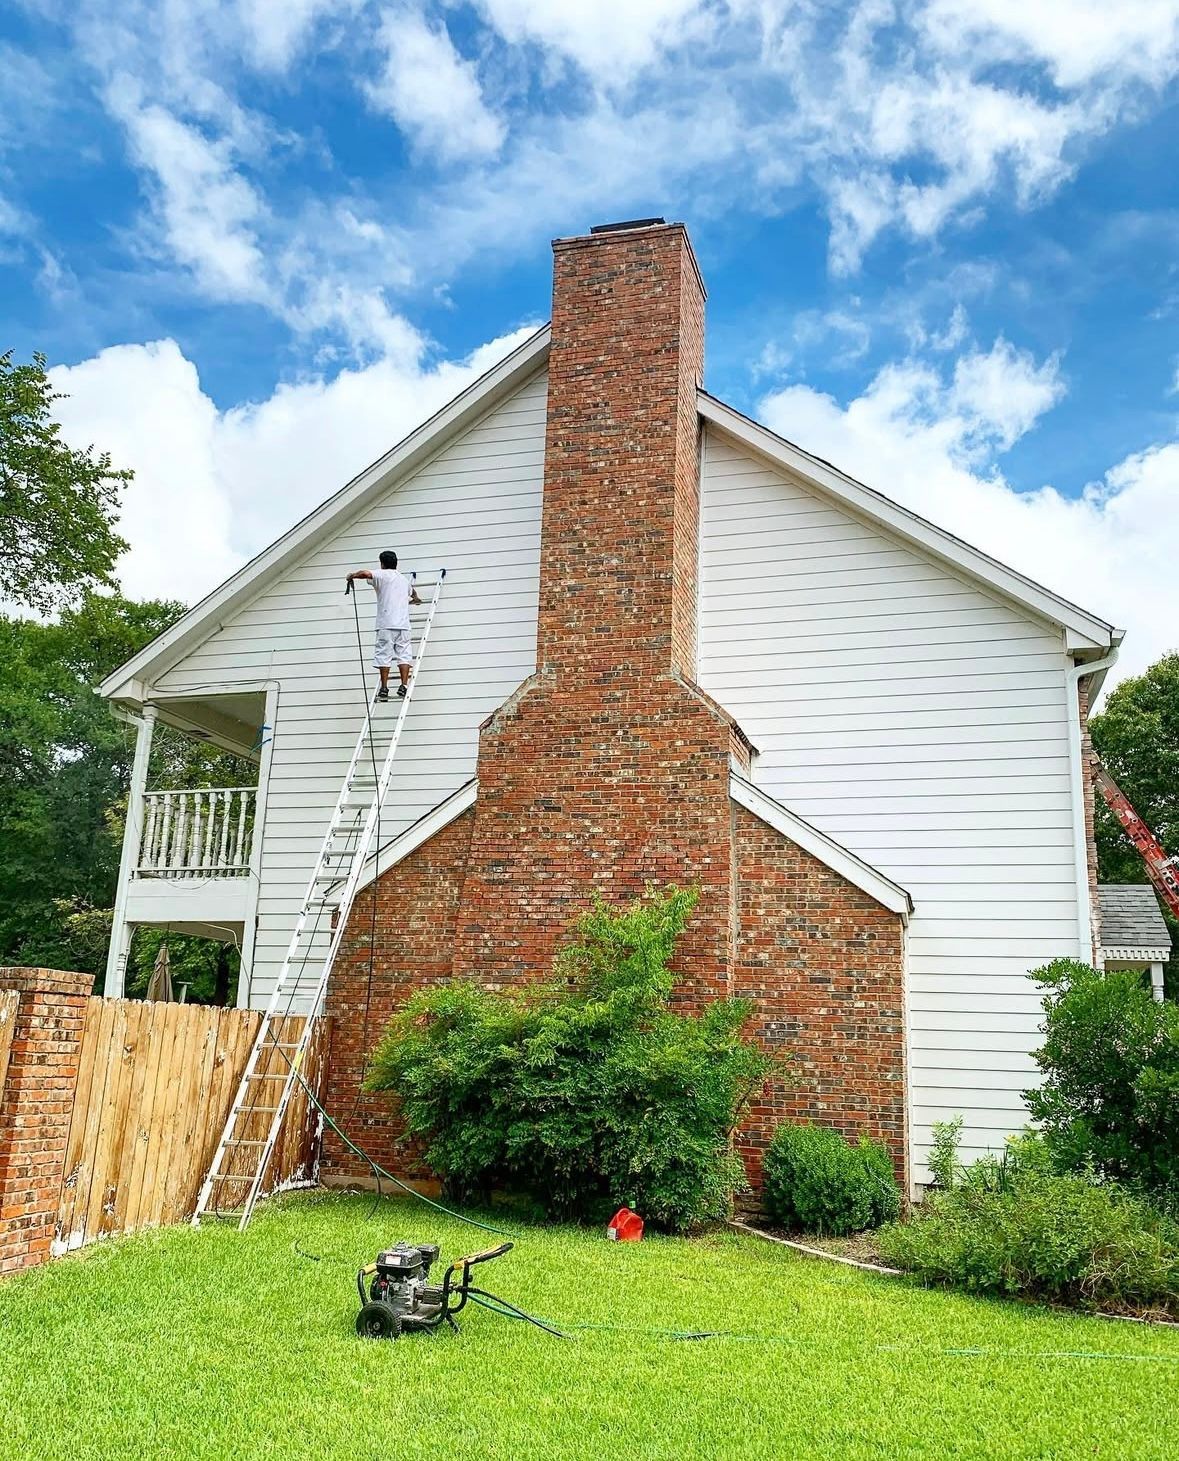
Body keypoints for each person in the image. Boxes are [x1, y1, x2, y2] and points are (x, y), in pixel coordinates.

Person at [346, 551, 421, 701]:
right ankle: (404, 685)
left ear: (382, 563)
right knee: (404, 654)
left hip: (386, 623)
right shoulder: (403, 580)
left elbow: (365, 573)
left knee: (384, 655)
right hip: (404, 625)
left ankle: (384, 688)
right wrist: (416, 599)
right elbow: (413, 592)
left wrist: (352, 575)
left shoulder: (382, 574)